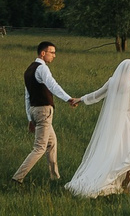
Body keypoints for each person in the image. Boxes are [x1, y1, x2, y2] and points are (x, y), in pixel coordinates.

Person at [62, 57, 130, 198]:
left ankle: (118, 179)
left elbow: (96, 95)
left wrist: (79, 99)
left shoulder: (112, 82)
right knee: (129, 151)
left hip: (111, 123)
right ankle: (125, 181)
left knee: (114, 151)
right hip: (125, 123)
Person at [13, 41, 103, 184]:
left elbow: (27, 96)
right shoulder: (42, 69)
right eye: (52, 52)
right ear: (43, 53)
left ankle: (55, 177)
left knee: (52, 143)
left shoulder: (29, 70)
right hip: (43, 111)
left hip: (35, 111)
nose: (54, 56)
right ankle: (17, 178)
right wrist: (68, 99)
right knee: (40, 148)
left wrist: (30, 118)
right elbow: (53, 85)